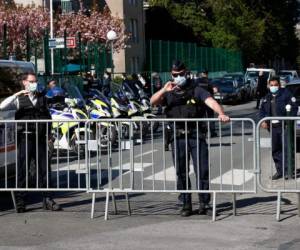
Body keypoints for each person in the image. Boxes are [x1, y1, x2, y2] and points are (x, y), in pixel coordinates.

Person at [150, 61, 230, 217]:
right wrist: (163, 90)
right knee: (181, 172)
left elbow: (211, 101)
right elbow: (152, 102)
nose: (178, 77)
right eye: (175, 75)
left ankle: (204, 204)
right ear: (171, 74)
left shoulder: (196, 89)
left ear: (186, 73)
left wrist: (221, 113)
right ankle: (185, 204)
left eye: (180, 74)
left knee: (202, 170)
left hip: (196, 135)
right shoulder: (168, 91)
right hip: (177, 136)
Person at [0, 72, 61, 213]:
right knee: (22, 170)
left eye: (35, 81)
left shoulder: (42, 98)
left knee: (44, 170)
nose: (34, 84)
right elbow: (2, 106)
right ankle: (21, 201)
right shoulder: (19, 99)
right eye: (31, 81)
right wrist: (17, 93)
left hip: (40, 138)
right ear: (24, 82)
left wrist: (49, 134)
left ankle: (48, 199)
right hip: (25, 138)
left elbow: (47, 116)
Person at [259, 76, 297, 180]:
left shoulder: (286, 94)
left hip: (284, 126)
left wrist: (288, 121)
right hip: (273, 127)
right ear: (268, 86)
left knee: (287, 148)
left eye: (275, 85)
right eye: (271, 85)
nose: (273, 87)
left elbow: (294, 107)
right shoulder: (266, 97)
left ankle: (289, 171)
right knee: (276, 150)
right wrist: (262, 121)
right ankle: (280, 171)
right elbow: (262, 111)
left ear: (279, 85)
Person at [195, 69, 217, 137]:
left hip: (200, 101)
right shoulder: (209, 81)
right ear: (207, 74)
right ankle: (212, 132)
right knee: (210, 116)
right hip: (208, 101)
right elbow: (215, 90)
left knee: (202, 117)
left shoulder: (197, 81)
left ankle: (203, 132)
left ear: (201, 73)